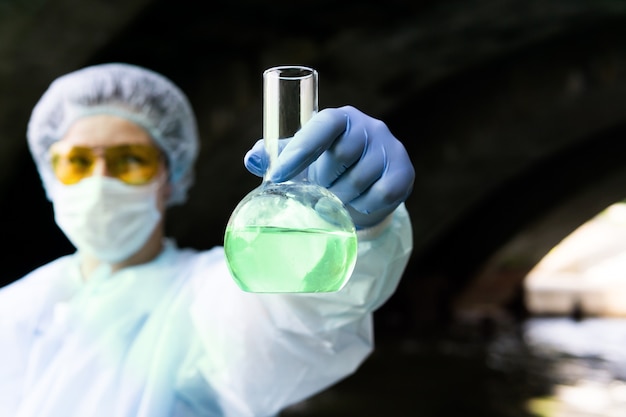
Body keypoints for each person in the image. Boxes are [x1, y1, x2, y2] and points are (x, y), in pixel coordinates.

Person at [0, 63, 414, 417]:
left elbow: (293, 320)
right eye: (78, 162)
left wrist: (363, 225)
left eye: (130, 160)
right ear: (50, 175)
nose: (100, 180)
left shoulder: (204, 295)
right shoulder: (14, 306)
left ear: (171, 177)